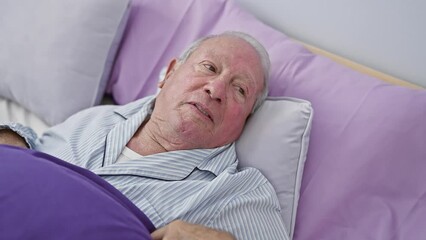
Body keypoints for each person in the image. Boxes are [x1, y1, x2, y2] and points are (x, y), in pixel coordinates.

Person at [0, 31, 288, 239]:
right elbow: (39, 146)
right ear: (169, 73)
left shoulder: (242, 194)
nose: (216, 89)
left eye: (240, 90)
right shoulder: (102, 117)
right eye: (209, 68)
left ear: (246, 120)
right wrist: (13, 145)